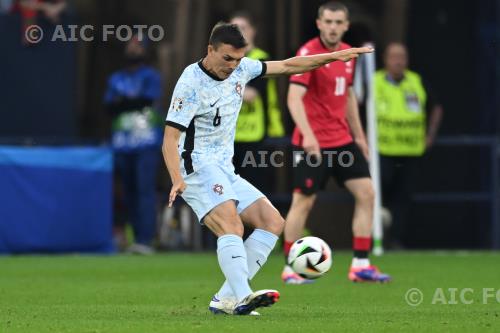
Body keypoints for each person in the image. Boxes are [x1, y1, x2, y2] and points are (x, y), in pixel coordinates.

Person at [163, 22, 372, 315]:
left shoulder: (242, 68)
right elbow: (169, 139)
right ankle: (244, 295)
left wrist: (332, 57)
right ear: (210, 50)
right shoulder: (190, 82)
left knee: (273, 222)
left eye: (238, 59)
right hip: (196, 167)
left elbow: (288, 65)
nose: (233, 66)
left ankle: (224, 299)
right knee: (231, 225)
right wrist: (176, 179)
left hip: (225, 168)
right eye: (227, 59)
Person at [281, 1, 391, 284]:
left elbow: (349, 97)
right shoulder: (307, 54)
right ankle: (290, 268)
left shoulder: (348, 56)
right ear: (319, 23)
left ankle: (360, 265)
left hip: (342, 141)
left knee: (367, 193)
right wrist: (308, 136)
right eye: (327, 21)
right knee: (303, 203)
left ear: (345, 26)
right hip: (313, 142)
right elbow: (294, 98)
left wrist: (360, 136)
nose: (332, 27)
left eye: (337, 22)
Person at [375, 42, 443, 247]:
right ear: (385, 59)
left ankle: (395, 240)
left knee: (403, 198)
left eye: (402, 56)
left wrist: (430, 134)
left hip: (411, 152)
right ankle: (375, 238)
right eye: (394, 56)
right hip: (382, 151)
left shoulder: (416, 81)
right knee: (376, 196)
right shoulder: (374, 81)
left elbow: (436, 107)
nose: (398, 61)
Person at [104, 35, 163, 255]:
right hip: (121, 143)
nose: (133, 48)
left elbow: (146, 101)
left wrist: (123, 102)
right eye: (130, 44)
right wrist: (128, 103)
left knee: (144, 189)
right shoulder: (115, 78)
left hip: (146, 141)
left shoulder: (151, 76)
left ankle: (145, 239)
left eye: (138, 45)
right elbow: (109, 107)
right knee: (126, 192)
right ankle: (130, 236)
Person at [229, 12, 285, 195]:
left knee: (256, 193)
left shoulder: (260, 58)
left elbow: (251, 94)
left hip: (257, 136)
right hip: (228, 138)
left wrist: (220, 84)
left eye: (243, 29)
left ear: (253, 31)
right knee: (228, 194)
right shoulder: (224, 60)